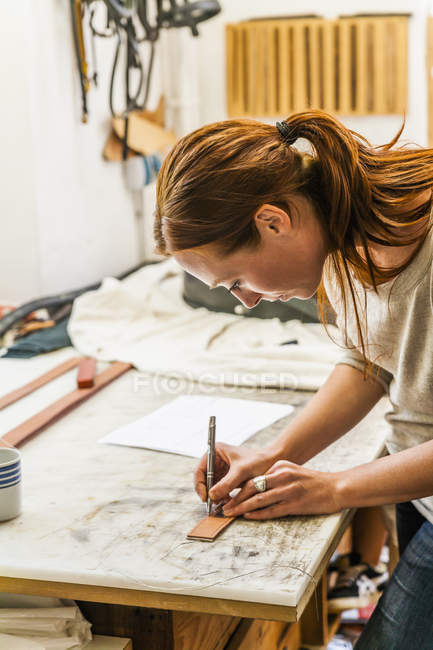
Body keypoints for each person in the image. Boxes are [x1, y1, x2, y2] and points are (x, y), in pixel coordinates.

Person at [153, 110, 433, 648]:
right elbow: (369, 358)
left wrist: (336, 488)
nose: (247, 301)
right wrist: (278, 453)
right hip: (416, 487)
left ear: (273, 221)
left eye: (235, 280)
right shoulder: (348, 237)